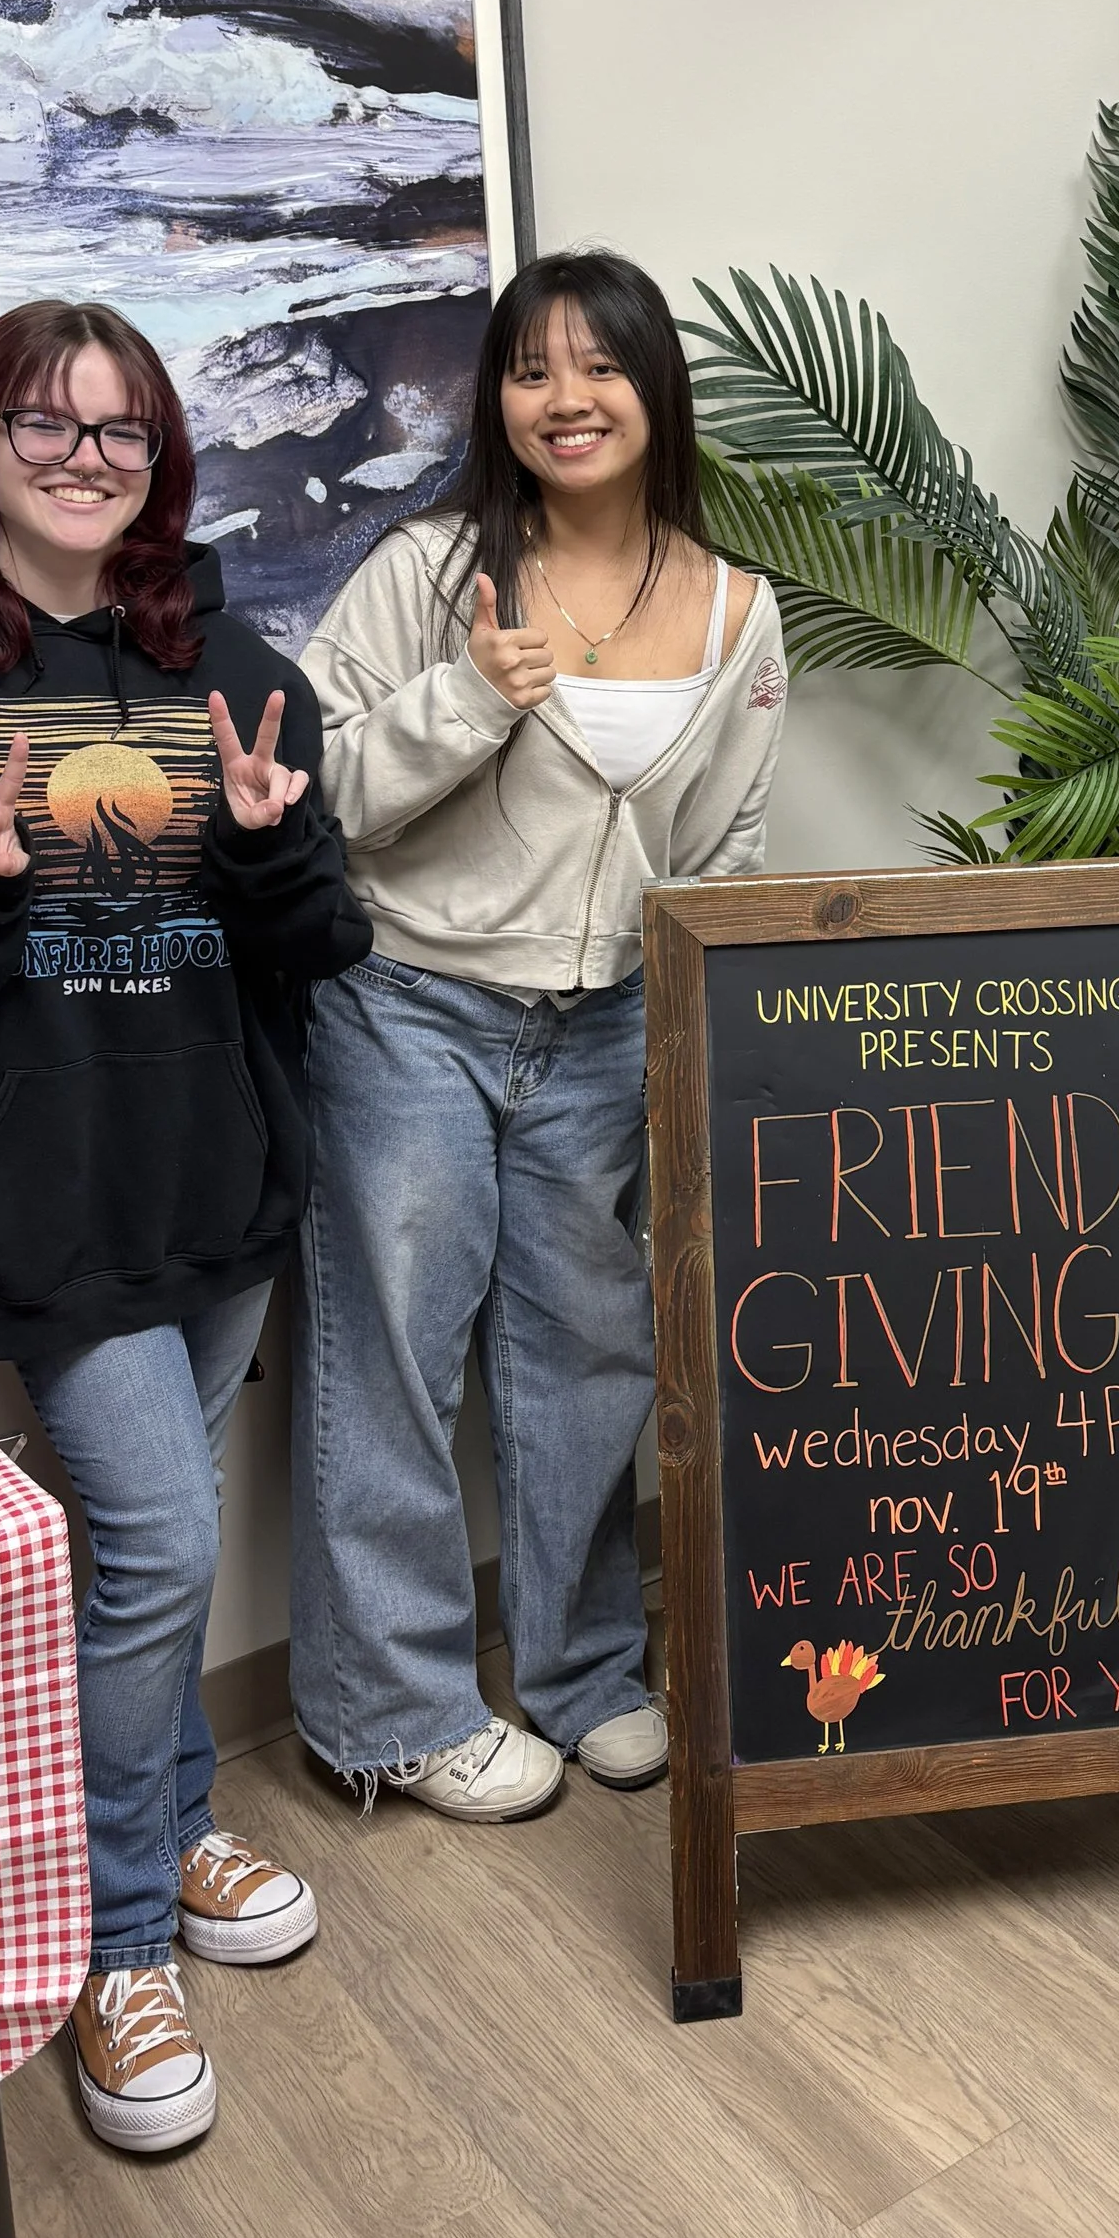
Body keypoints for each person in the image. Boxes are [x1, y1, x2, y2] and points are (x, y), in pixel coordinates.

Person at [0, 301, 368, 2158]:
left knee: (159, 1546)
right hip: (42, 1204)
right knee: (153, 1544)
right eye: (46, 423)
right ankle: (115, 1936)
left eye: (122, 432)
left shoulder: (232, 665)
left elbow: (323, 943)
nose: (84, 458)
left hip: (222, 1180)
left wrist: (271, 847)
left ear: (159, 462)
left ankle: (173, 1815)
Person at [293, 249, 785, 1821]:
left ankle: (586, 1676)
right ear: (496, 400)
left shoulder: (737, 609)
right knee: (393, 1356)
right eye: (528, 371)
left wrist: (698, 1045)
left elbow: (723, 856)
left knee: (587, 1359)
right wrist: (466, 699)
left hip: (611, 1026)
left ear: (655, 390)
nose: (564, 400)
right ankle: (394, 1711)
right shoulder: (427, 570)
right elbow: (316, 793)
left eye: (600, 366)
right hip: (409, 1005)